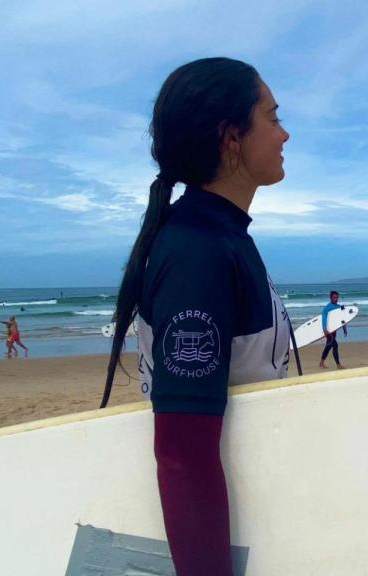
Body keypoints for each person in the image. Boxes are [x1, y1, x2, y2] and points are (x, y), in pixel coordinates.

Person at [101, 57, 291, 576]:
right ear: (232, 137)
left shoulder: (220, 235)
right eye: (272, 118)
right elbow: (182, 456)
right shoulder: (198, 252)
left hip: (262, 522)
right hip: (233, 543)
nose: (285, 134)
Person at [319, 291, 347, 369]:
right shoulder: (327, 307)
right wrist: (325, 330)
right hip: (329, 331)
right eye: (334, 297)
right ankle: (338, 365)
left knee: (328, 346)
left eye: (337, 297)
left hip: (334, 331)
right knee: (335, 345)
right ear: (331, 298)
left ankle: (321, 363)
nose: (336, 299)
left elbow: (342, 318)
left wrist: (344, 328)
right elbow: (324, 318)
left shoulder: (339, 307)